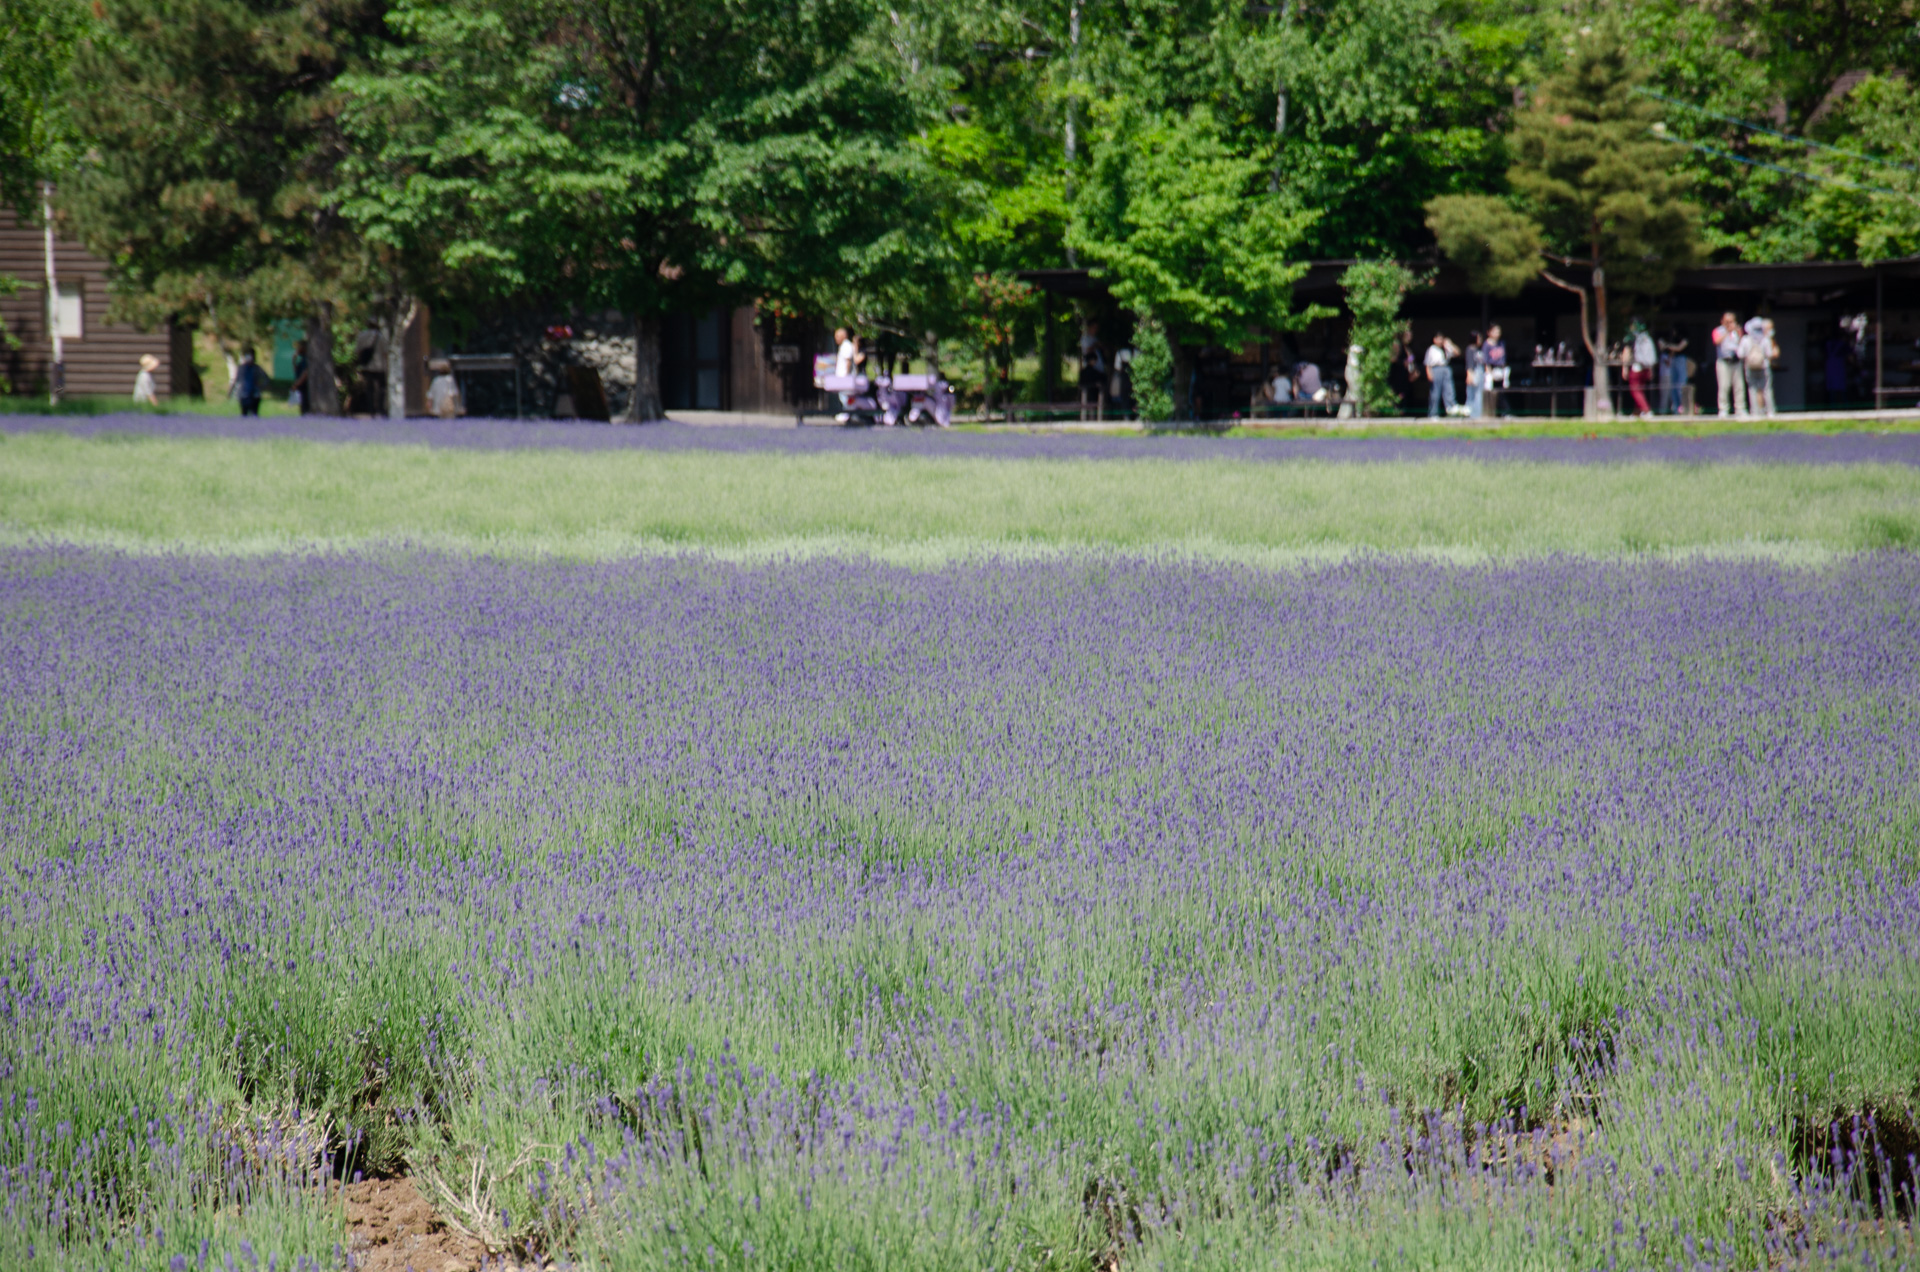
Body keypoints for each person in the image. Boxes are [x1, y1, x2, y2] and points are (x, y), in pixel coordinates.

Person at [1713, 312, 1747, 418]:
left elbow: (1743, 343)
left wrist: (1737, 332)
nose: (1729, 324)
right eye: (1726, 322)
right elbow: (1716, 341)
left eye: (1731, 321)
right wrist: (1727, 332)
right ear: (1722, 321)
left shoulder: (1738, 331)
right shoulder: (1718, 330)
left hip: (1736, 361)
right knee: (1724, 386)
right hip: (1723, 361)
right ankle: (1723, 409)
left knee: (1739, 386)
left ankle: (1740, 408)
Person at [1741, 316, 1776, 418]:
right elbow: (1769, 353)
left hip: (1750, 367)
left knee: (1752, 389)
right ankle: (1770, 412)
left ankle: (1755, 412)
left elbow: (1740, 354)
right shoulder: (1765, 339)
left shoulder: (1746, 339)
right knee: (1766, 389)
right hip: (1763, 367)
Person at [1425, 331, 1460, 418]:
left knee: (1449, 390)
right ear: (1434, 340)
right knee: (1435, 392)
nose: (1440, 341)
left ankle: (1451, 409)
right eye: (1439, 339)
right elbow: (1427, 363)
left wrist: (1450, 344)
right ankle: (1433, 413)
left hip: (1446, 368)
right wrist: (1429, 374)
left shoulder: (1446, 348)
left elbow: (1457, 353)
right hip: (1436, 369)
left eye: (1442, 339)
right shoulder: (1431, 349)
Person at [1626, 318, 1656, 417]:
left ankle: (1647, 410)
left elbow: (1628, 353)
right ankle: (1637, 412)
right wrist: (1651, 369)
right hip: (1646, 368)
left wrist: (1624, 368)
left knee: (1635, 390)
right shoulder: (1647, 337)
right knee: (1640, 390)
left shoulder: (1634, 338)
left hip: (1637, 367)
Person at [234, 347, 266, 417]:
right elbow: (236, 380)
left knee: (254, 413)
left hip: (254, 394)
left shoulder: (256, 368)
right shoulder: (241, 368)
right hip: (243, 394)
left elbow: (266, 379)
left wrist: (261, 386)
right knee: (244, 414)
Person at [1463, 331, 1487, 419]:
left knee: (1479, 394)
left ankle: (1478, 413)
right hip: (1474, 372)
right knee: (1472, 394)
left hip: (1480, 372)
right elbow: (1469, 363)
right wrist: (1469, 374)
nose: (1480, 340)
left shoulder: (1478, 350)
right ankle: (1471, 413)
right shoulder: (1470, 349)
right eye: (1479, 338)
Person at [290, 339, 310, 414]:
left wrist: (296, 384)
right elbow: (296, 370)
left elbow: (305, 374)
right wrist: (294, 360)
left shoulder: (306, 360)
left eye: (299, 347)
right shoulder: (301, 360)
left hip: (306, 389)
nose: (297, 349)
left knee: (305, 409)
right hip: (301, 390)